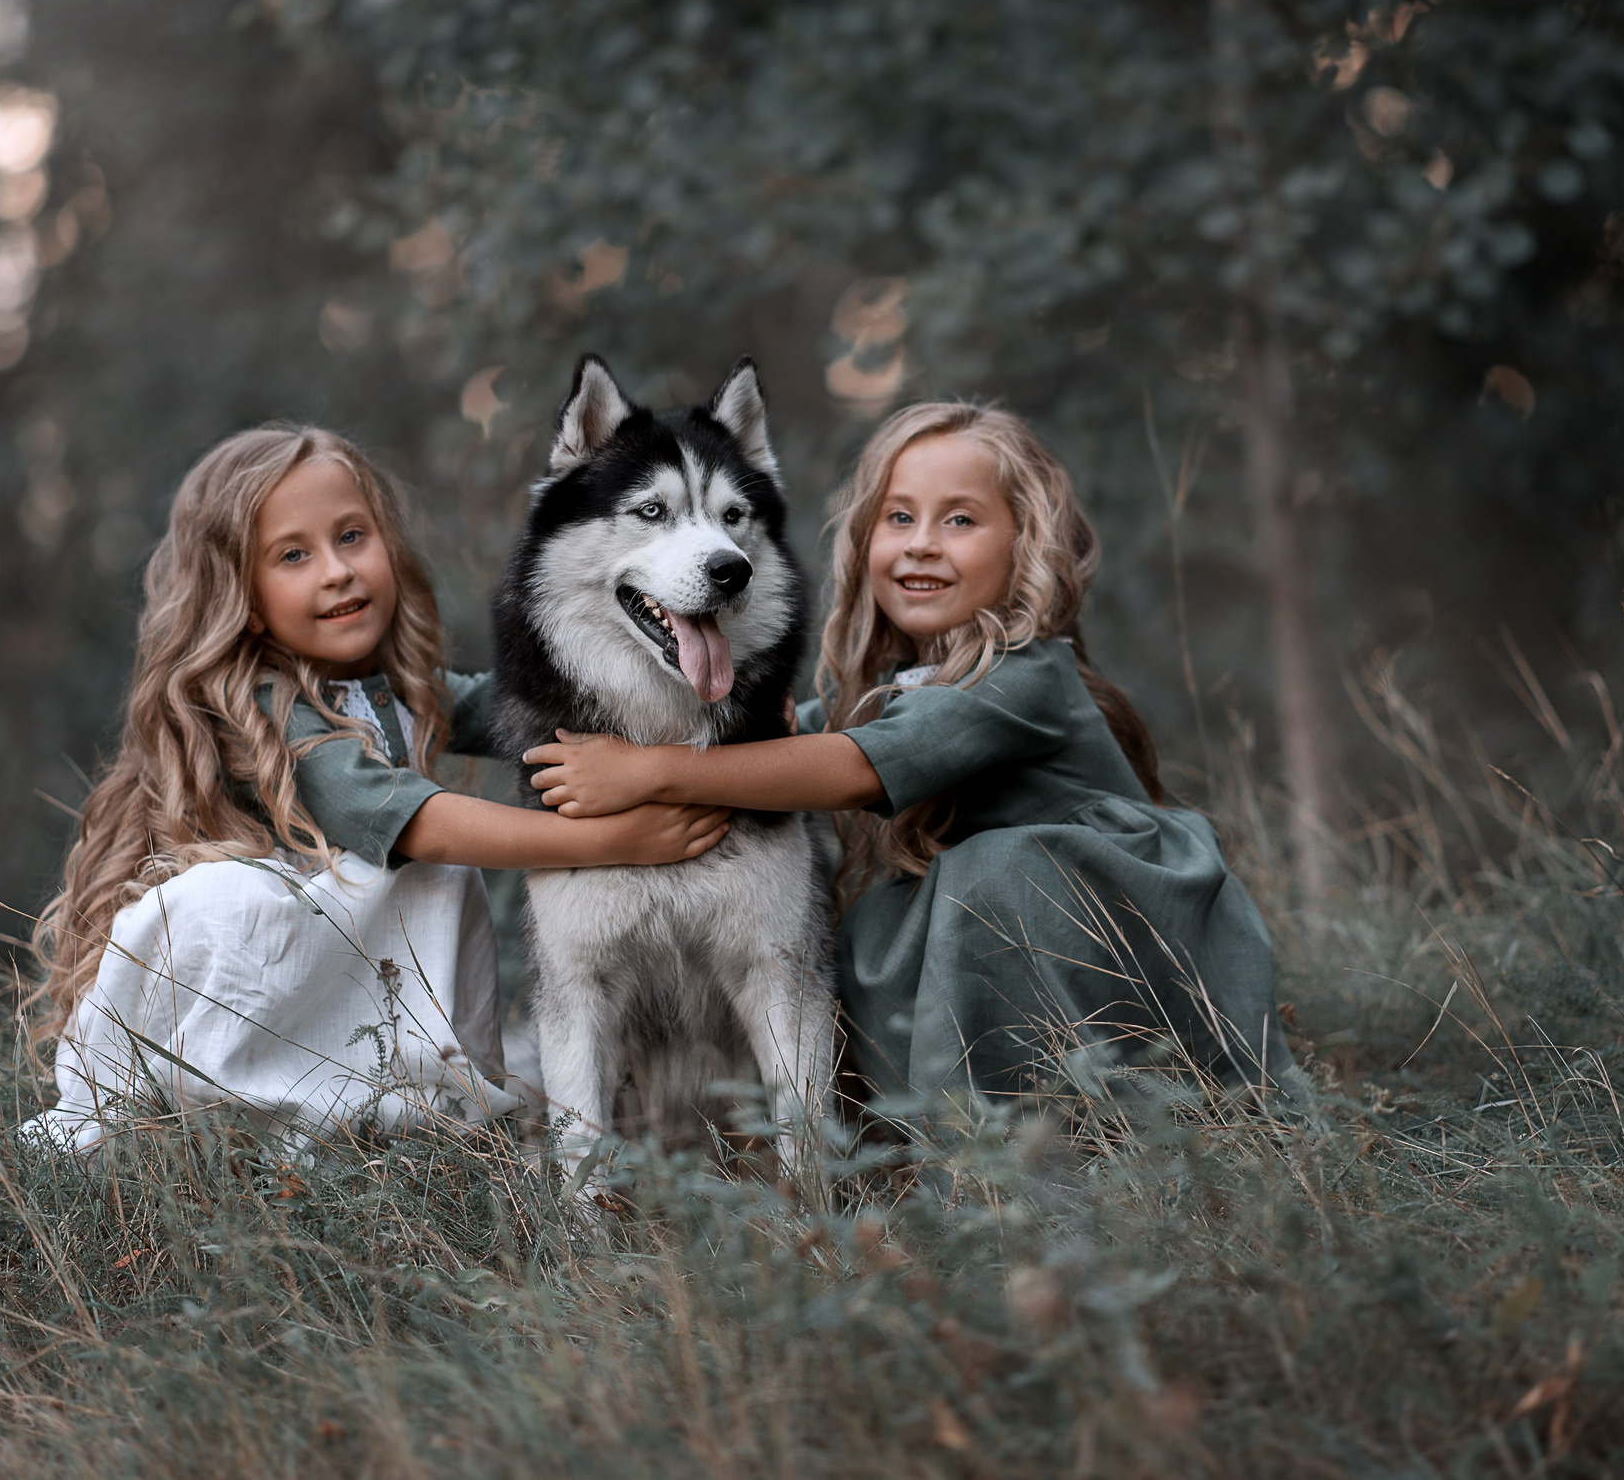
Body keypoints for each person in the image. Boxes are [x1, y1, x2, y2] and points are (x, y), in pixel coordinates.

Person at [524, 402, 1279, 1109]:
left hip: (1116, 943)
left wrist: (650, 770)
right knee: (880, 920)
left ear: (1028, 542)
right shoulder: (892, 691)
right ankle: (950, 1143)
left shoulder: (1026, 674)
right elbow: (803, 745)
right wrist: (437, 695)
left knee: (983, 875)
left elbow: (849, 767)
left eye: (960, 519)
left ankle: (1050, 1155)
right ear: (866, 541)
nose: (923, 541)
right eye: (899, 517)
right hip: (1014, 944)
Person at [25, 426, 729, 1153]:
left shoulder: (391, 693)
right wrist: (607, 839)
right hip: (274, 979)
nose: (336, 571)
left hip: (340, 978)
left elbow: (531, 707)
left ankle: (394, 1106)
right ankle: (255, 1113)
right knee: (425, 869)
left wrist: (703, 705)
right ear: (247, 596)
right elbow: (416, 821)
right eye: (294, 554)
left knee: (435, 878)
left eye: (352, 536)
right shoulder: (263, 705)